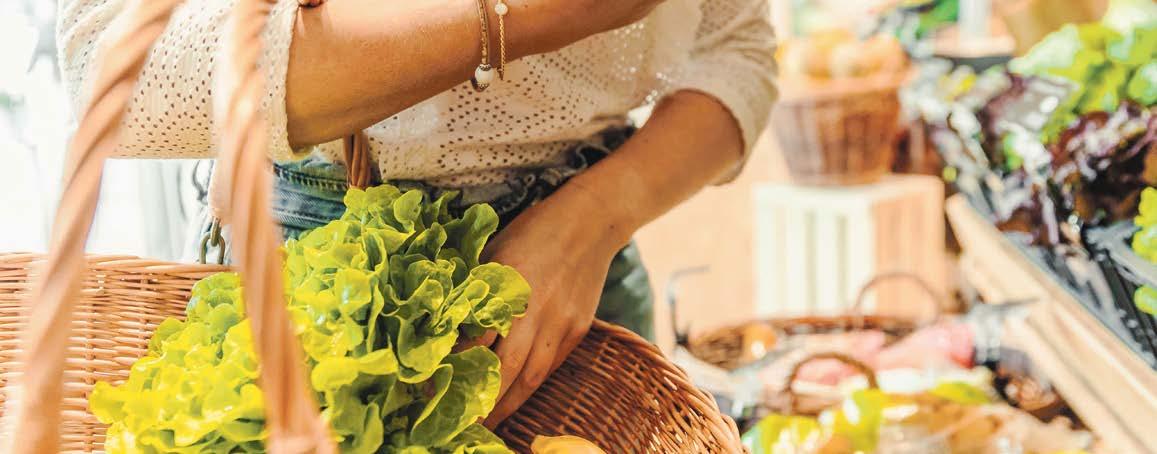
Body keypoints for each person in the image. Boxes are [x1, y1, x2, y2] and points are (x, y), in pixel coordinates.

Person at [58, 0, 776, 425]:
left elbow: (735, 51)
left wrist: (592, 221)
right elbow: (113, 68)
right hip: (315, 264)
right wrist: (524, 17)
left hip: (581, 274)